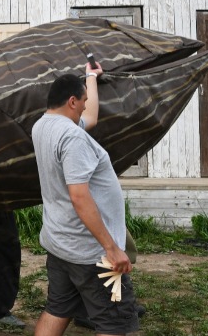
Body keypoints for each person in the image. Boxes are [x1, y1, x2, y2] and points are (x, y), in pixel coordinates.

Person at [31, 63, 140, 336]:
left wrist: (91, 76)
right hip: (91, 253)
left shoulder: (43, 126)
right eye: (82, 102)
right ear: (71, 101)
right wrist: (112, 248)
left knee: (57, 309)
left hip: (61, 243)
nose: (84, 107)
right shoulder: (72, 137)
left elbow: (89, 118)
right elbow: (79, 197)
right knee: (112, 323)